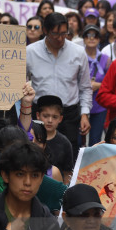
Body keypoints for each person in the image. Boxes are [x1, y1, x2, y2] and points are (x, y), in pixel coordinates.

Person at [26, 12, 92, 158]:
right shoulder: (30, 52)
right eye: (55, 34)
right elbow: (20, 84)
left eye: (64, 33)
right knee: (36, 156)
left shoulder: (78, 52)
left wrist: (85, 114)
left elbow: (85, 87)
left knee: (69, 156)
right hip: (39, 114)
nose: (60, 38)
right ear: (45, 31)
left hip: (68, 115)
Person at [34, 95, 75, 183]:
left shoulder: (65, 143)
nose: (50, 120)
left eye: (54, 117)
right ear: (38, 115)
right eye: (45, 116)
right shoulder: (30, 138)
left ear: (60, 119)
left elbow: (67, 173)